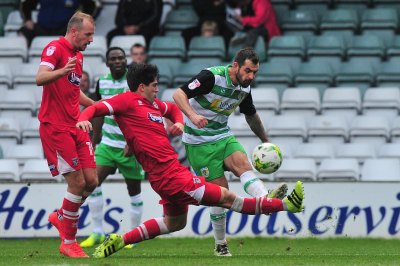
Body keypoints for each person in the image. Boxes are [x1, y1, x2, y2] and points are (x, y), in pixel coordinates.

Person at [75, 63, 305, 259]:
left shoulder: (154, 105)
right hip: (172, 178)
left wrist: (179, 123)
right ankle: (285, 205)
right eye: (154, 85)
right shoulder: (125, 101)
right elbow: (95, 108)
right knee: (227, 198)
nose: (158, 89)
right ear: (142, 87)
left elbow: (174, 108)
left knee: (175, 223)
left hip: (167, 175)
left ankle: (121, 240)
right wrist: (83, 120)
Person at [172, 47, 286, 256]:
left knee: (243, 166)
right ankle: (220, 243)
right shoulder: (211, 77)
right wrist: (192, 115)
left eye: (255, 72)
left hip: (223, 136)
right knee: (220, 194)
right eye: (248, 71)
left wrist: (267, 141)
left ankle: (265, 200)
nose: (251, 76)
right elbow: (178, 94)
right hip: (199, 143)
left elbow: (251, 115)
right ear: (235, 65)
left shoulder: (245, 88)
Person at [35, 11, 97, 258]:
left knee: (91, 181)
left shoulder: (78, 55)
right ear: (74, 31)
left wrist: (94, 105)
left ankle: (62, 215)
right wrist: (60, 71)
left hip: (75, 126)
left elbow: (73, 92)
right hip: (56, 127)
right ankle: (68, 241)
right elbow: (40, 77)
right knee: (77, 182)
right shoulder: (55, 48)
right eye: (88, 34)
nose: (91, 39)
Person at [79, 47, 146, 249]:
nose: (118, 61)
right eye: (113, 59)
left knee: (133, 190)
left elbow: (141, 111)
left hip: (129, 146)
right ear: (107, 63)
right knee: (91, 183)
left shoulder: (133, 82)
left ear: (126, 61)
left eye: (121, 58)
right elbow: (99, 111)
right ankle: (98, 232)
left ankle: (133, 236)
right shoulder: (102, 81)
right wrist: (93, 139)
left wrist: (133, 141)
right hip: (107, 144)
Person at [19, 0, 99, 46]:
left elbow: (91, 6)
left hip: (65, 29)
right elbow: (26, 5)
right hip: (42, 27)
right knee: (24, 31)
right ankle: (27, 60)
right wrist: (28, 19)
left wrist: (82, 21)